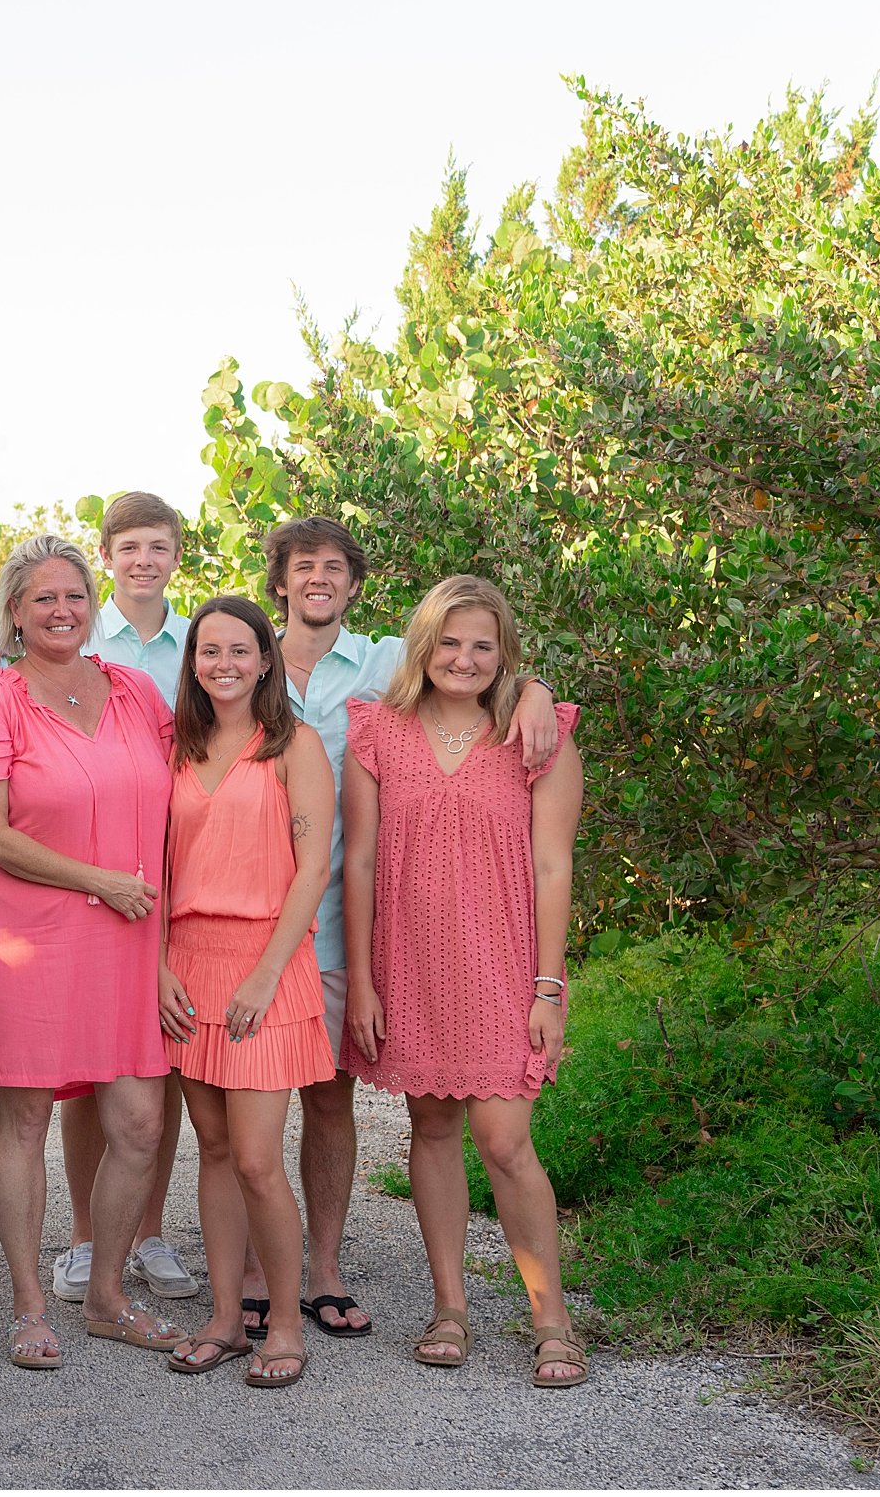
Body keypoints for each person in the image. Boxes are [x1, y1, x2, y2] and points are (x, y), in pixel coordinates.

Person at [231, 517, 561, 1342]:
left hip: (418, 945)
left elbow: (551, 862)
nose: (462, 658)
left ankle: (334, 1272)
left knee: (393, 1113)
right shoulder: (238, 657)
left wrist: (538, 690)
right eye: (303, 566)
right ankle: (253, 1271)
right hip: (276, 929)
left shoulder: (389, 672)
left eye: (335, 567)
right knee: (243, 1111)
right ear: (278, 580)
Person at [0, 535, 184, 1370]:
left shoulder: (137, 690)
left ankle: (107, 1297)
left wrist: (158, 941)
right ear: (13, 611)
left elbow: (200, 776)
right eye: (42, 599)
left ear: (95, 604)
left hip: (126, 941)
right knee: (28, 1118)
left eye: (74, 597)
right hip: (24, 942)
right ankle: (28, 1305)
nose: (61, 612)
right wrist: (101, 880)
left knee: (141, 1123)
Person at [342, 574, 588, 1388]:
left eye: (483, 644)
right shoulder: (379, 733)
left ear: (504, 652)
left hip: (502, 965)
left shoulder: (538, 738)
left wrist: (549, 986)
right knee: (434, 1130)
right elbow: (362, 862)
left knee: (507, 1142)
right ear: (423, 647)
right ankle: (449, 1306)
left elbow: (554, 867)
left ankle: (551, 1319)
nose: (465, 658)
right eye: (449, 642)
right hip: (410, 963)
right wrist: (368, 981)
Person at [154, 597, 337, 1389]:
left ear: (267, 659)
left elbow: (314, 870)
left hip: (268, 964)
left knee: (259, 1159)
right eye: (207, 651)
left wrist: (266, 973)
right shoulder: (176, 745)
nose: (222, 663)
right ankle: (226, 1319)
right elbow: (156, 865)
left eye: (239, 649)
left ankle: (286, 1324)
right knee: (216, 1149)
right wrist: (158, 960)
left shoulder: (296, 745)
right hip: (188, 963)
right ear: (192, 662)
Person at [52, 491, 197, 1306]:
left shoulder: (199, 640)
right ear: (105, 555)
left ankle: (148, 1233)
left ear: (178, 554)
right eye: (129, 547)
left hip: (176, 857)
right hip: (91, 871)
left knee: (156, 1063)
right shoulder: (76, 627)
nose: (144, 559)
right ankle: (82, 1236)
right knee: (90, 1069)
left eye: (159, 546)